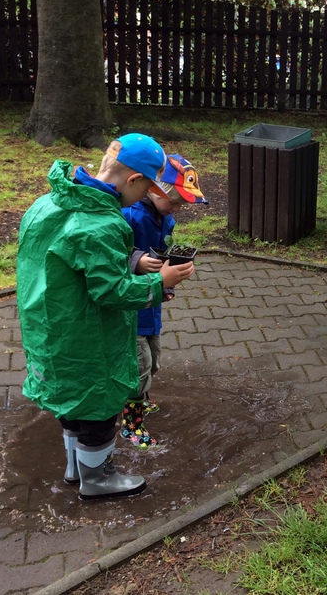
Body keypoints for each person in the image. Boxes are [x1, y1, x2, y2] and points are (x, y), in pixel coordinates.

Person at [16, 134, 195, 501]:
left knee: (72, 406)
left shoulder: (47, 204)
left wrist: (132, 262)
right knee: (97, 410)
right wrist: (160, 281)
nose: (144, 195)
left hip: (49, 330)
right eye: (146, 187)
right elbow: (112, 292)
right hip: (88, 336)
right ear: (134, 180)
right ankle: (97, 479)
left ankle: (75, 468)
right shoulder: (102, 224)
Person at [120, 154, 208, 448]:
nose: (178, 209)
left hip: (151, 304)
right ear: (154, 190)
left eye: (183, 203)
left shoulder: (164, 217)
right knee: (138, 366)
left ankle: (140, 398)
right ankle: (131, 423)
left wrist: (169, 276)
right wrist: (136, 260)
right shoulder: (129, 215)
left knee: (153, 358)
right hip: (130, 308)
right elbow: (110, 255)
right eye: (175, 201)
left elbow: (160, 253)